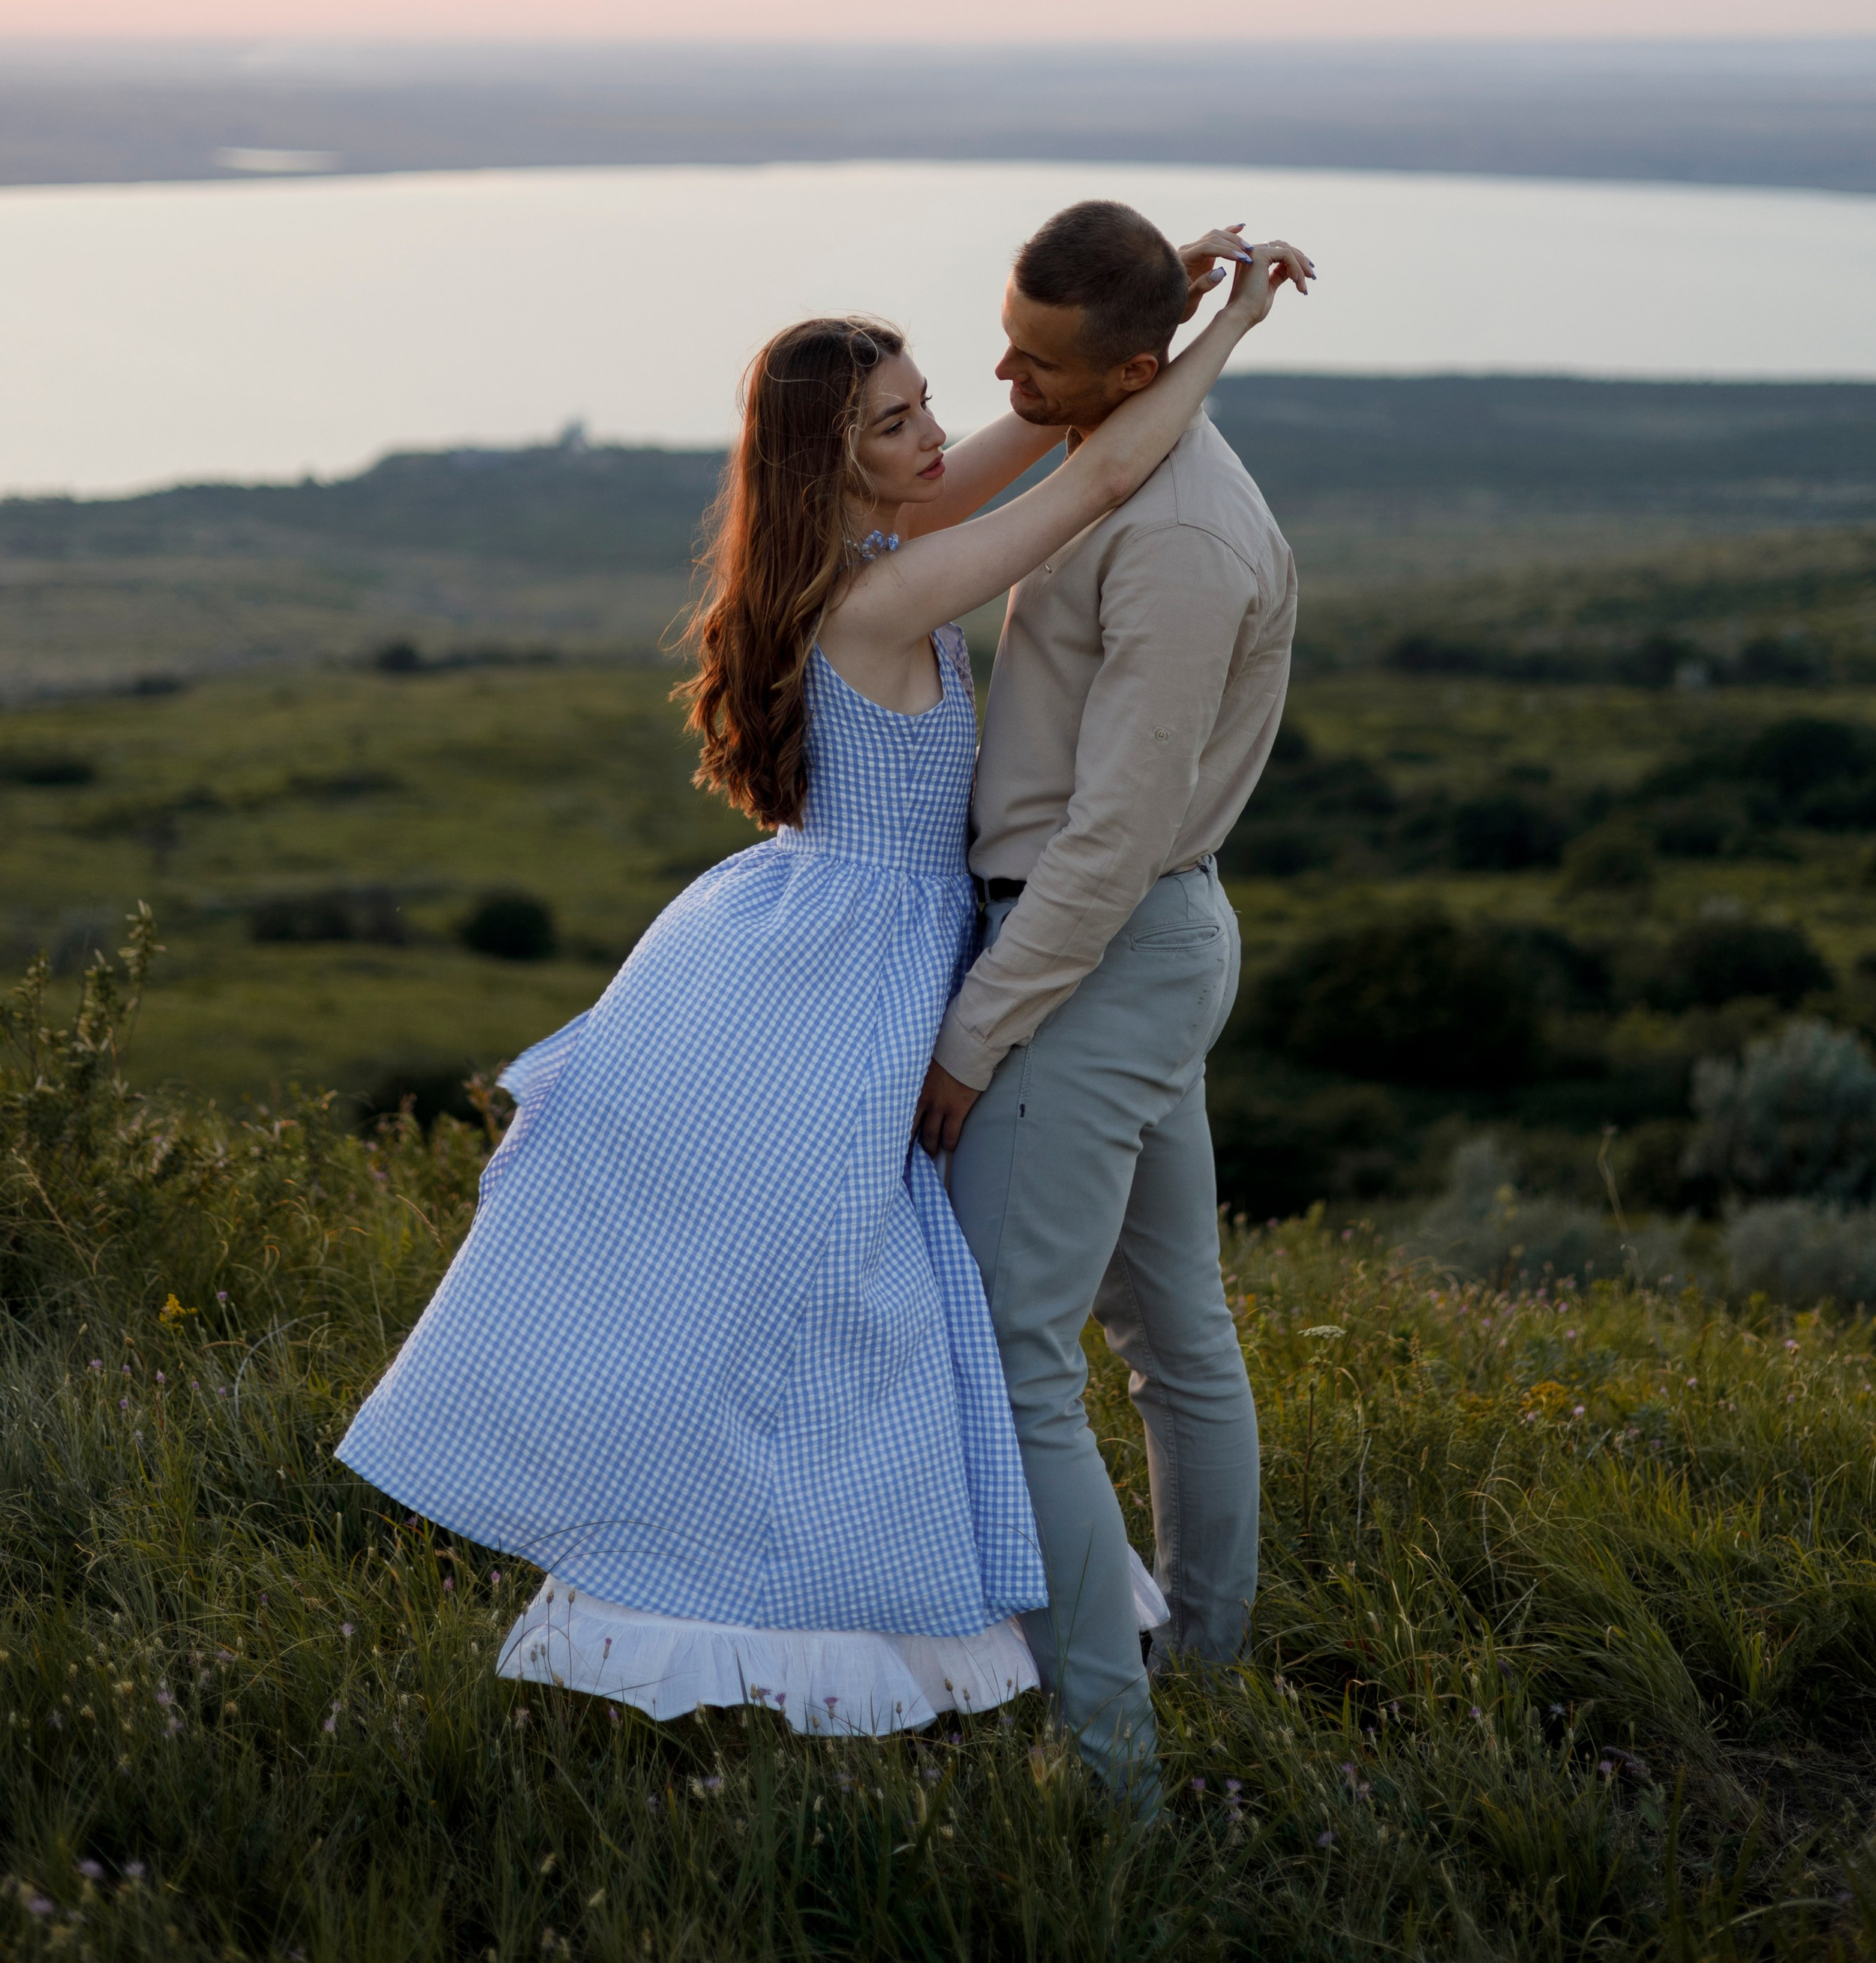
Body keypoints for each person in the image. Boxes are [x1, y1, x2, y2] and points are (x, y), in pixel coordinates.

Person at [335, 229, 1297, 1737]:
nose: (941, 429)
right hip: (859, 972)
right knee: (864, 1298)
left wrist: (1150, 316)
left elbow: (1036, 436)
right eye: (900, 421)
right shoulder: (880, 598)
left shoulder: (867, 546)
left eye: (926, 402)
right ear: (841, 463)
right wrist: (1222, 332)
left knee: (885, 1298)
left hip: (841, 936)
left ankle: (1002, 1605)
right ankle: (881, 1594)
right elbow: (1096, 472)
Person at [915, 198, 1309, 1801]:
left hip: (1093, 953)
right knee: (1172, 1332)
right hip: (1127, 945)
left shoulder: (1178, 540)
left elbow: (1113, 833)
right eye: (1004, 339)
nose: (1003, 377)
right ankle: (1200, 1669)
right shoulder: (1125, 447)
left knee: (1015, 1355)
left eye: (1040, 362)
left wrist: (974, 1029)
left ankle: (1111, 1765)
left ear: (1134, 369)